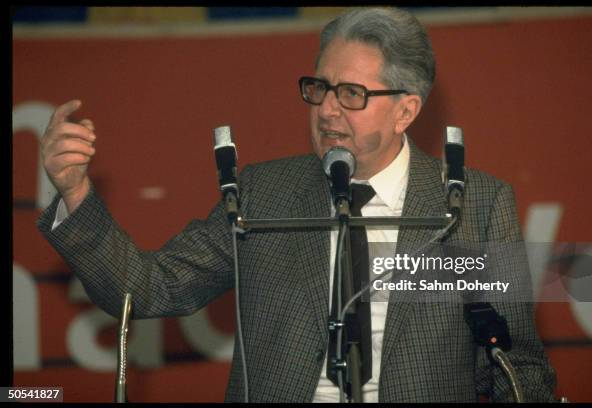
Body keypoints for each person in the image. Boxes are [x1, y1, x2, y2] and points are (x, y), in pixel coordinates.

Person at [37, 7, 556, 402]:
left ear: (406, 110)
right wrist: (75, 191)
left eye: (352, 93)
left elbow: (516, 364)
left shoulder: (473, 205)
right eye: (320, 88)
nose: (328, 109)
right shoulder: (262, 195)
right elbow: (146, 290)